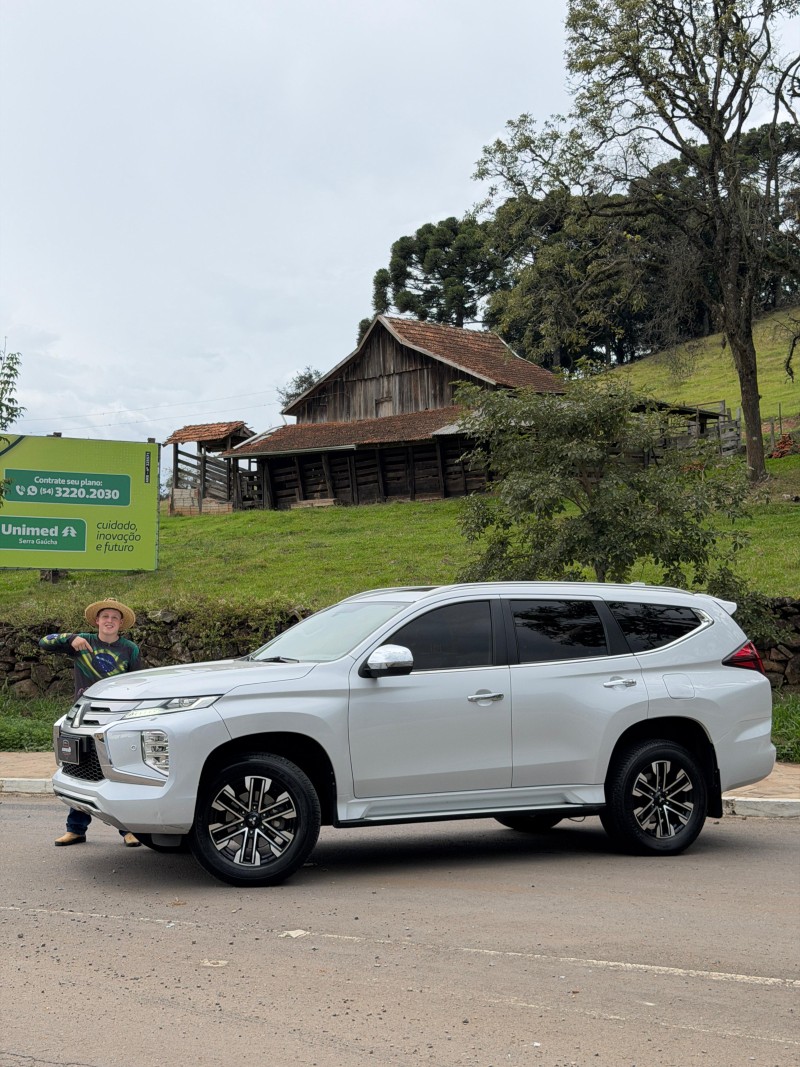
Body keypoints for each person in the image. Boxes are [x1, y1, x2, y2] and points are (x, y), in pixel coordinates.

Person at [39, 597, 143, 848]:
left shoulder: (130, 649)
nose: (109, 621)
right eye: (105, 617)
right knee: (79, 771)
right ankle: (75, 829)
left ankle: (127, 830)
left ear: (121, 624)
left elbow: (138, 683)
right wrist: (69, 638)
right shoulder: (82, 641)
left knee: (120, 772)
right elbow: (44, 642)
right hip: (83, 717)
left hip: (117, 719)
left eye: (114, 618)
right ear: (97, 620)